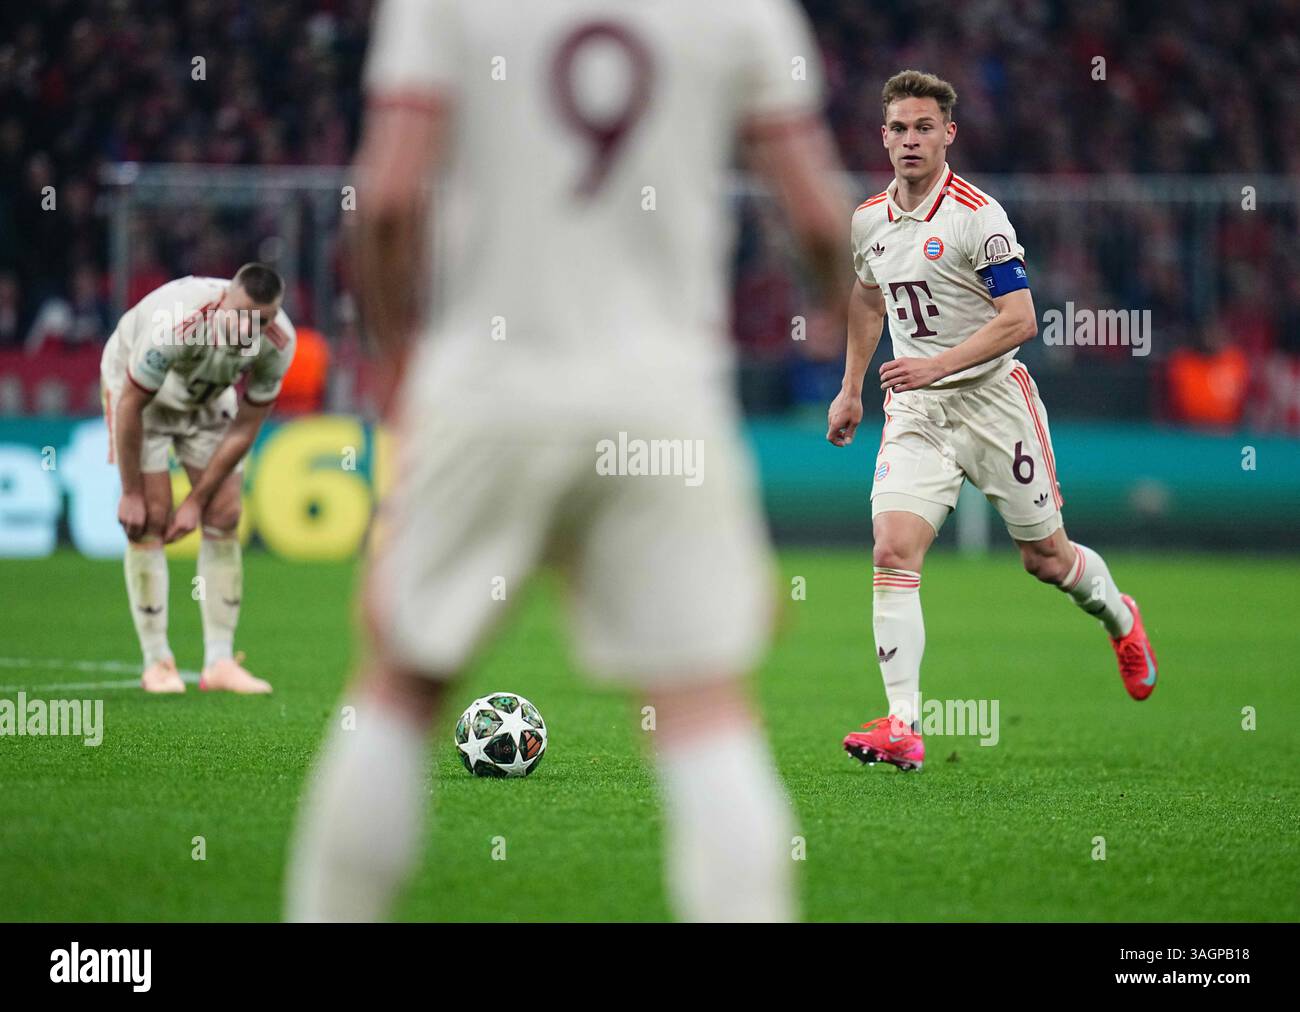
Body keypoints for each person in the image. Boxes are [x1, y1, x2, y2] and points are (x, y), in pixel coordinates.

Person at [286, 0, 850, 922]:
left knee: (400, 684)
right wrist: (843, 307)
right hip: (664, 392)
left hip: (488, 382)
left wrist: (401, 364)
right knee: (702, 708)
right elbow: (821, 219)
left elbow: (385, 200)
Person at [829, 71, 1158, 772]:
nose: (910, 140)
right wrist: (851, 386)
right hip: (915, 409)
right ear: (882, 135)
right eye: (898, 128)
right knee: (892, 549)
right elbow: (865, 297)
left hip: (993, 404)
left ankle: (1120, 619)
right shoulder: (868, 221)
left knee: (1047, 561)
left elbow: (1020, 320)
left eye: (924, 128)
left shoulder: (980, 217)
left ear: (949, 134)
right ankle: (903, 724)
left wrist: (936, 363)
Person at [102, 263, 296, 694]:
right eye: (244, 313)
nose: (253, 327)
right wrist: (130, 491)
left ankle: (220, 662)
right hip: (142, 401)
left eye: (263, 319)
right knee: (148, 518)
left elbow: (247, 425)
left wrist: (196, 500)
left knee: (224, 513)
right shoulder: (175, 322)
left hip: (207, 401)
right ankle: (157, 663)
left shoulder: (279, 342)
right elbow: (131, 404)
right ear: (226, 296)